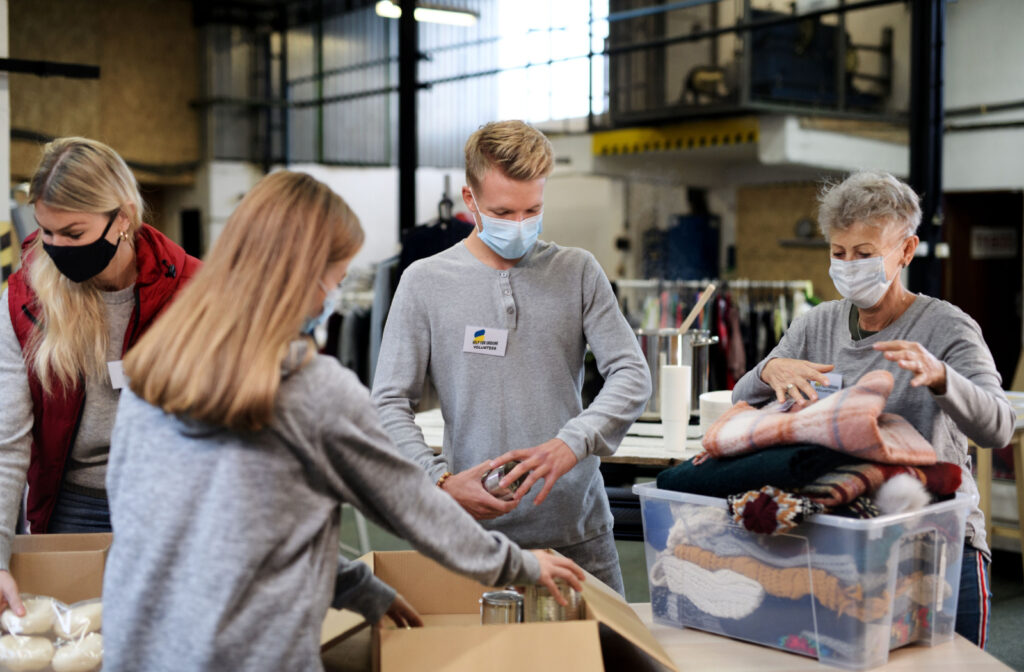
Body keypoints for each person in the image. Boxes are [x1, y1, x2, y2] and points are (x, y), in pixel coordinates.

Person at [102, 171, 584, 672]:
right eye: (337, 279)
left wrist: (354, 586)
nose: (334, 296)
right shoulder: (309, 390)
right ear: (304, 279)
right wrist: (521, 564)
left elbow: (227, 530)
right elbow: (414, 506)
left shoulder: (151, 374)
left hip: (135, 649)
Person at [732, 170, 1014, 648]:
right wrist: (768, 371)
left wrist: (944, 379)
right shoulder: (817, 324)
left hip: (940, 547)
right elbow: (743, 397)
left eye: (864, 255)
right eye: (838, 254)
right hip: (845, 544)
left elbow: (998, 427)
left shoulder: (947, 327)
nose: (847, 266)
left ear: (905, 251)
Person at [371, 120, 652, 595]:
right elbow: (387, 403)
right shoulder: (424, 282)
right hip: (474, 538)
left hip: (578, 532)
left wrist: (574, 442)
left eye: (533, 210)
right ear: (470, 201)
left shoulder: (577, 271)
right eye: (503, 212)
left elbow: (631, 374)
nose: (520, 225)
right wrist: (438, 482)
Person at [0, 137, 200, 614]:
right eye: (46, 232)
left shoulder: (191, 292)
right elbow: (7, 439)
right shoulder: (27, 297)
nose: (56, 248)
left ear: (122, 218)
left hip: (170, 510)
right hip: (72, 508)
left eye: (73, 233)